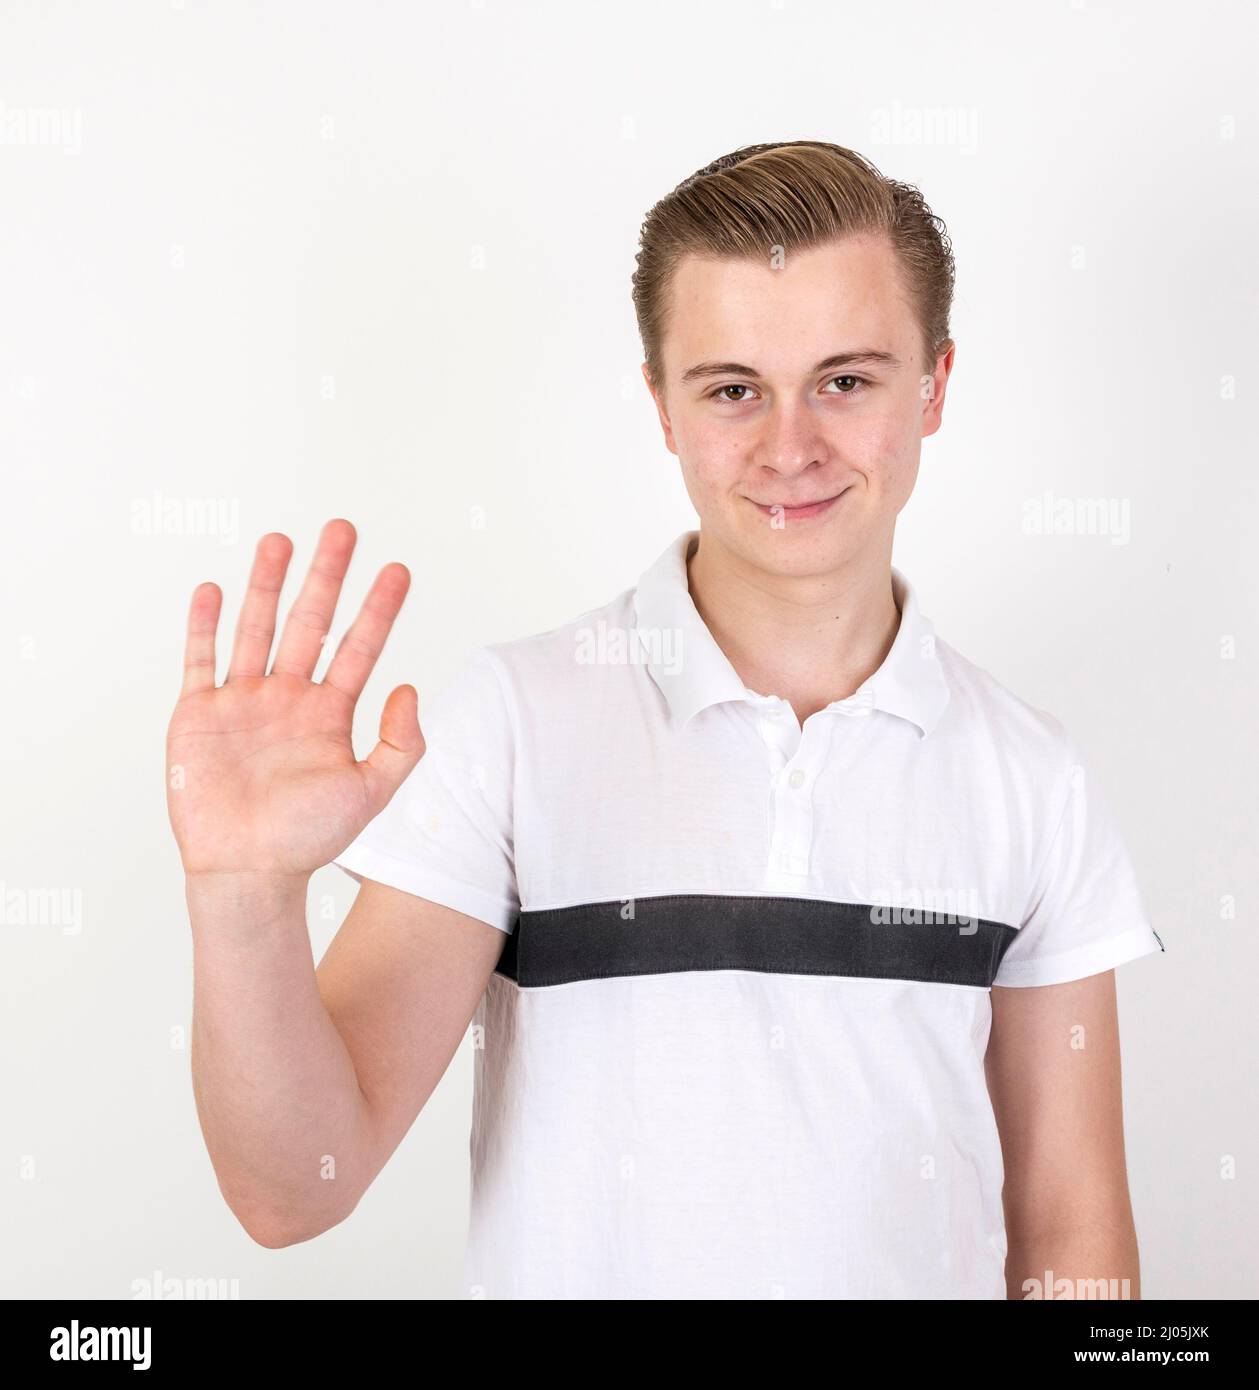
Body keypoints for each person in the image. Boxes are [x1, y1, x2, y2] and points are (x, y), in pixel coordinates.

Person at [166, 140, 1164, 1300]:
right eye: (732, 388)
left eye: (845, 380)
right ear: (660, 406)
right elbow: (292, 1192)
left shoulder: (1030, 775)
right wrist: (242, 900)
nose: (788, 446)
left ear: (934, 386)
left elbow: (1069, 1237)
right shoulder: (510, 724)